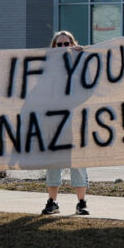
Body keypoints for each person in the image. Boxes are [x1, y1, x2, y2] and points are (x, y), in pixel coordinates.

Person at [42, 30, 90, 216]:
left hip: (75, 121)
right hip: (53, 121)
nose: (63, 47)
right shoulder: (47, 66)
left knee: (78, 162)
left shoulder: (80, 62)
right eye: (59, 44)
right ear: (54, 47)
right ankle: (52, 202)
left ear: (72, 44)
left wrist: (83, 55)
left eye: (66, 44)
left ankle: (81, 202)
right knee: (53, 163)